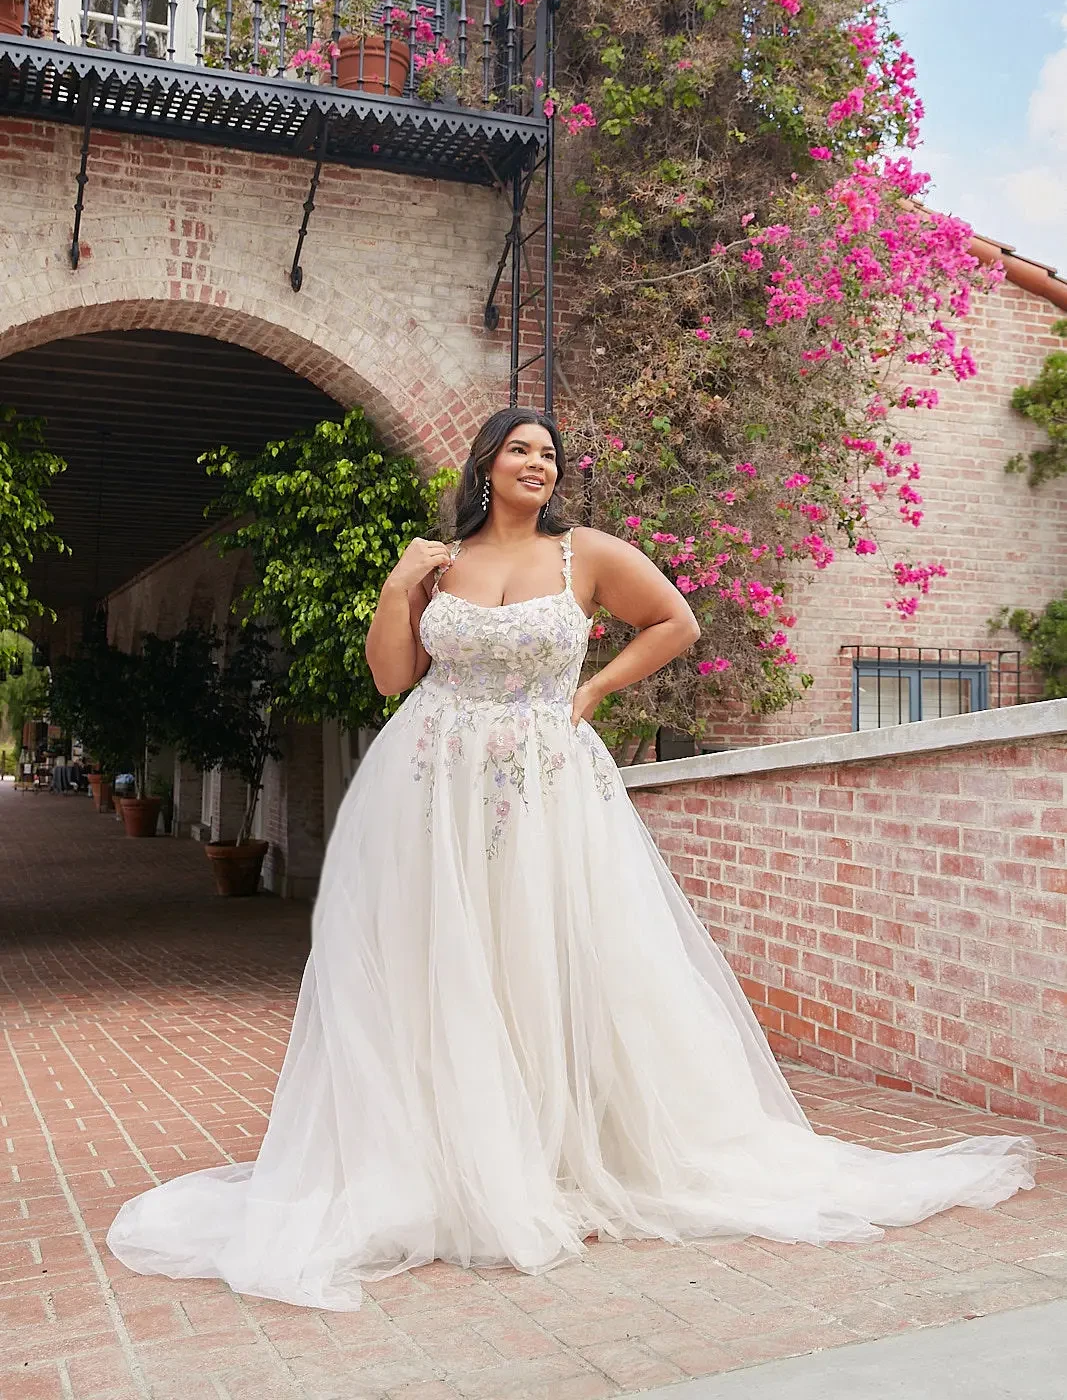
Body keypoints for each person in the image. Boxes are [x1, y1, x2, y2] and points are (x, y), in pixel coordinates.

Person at [106, 407, 1036, 1311]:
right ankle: (451, 1150)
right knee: (441, 958)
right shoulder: (440, 565)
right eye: (519, 450)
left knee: (553, 946)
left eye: (548, 453)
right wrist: (398, 586)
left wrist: (590, 693)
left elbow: (674, 623)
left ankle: (564, 1149)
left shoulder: (581, 552)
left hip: (545, 780)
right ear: (483, 466)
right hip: (432, 785)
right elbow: (392, 679)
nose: (538, 464)